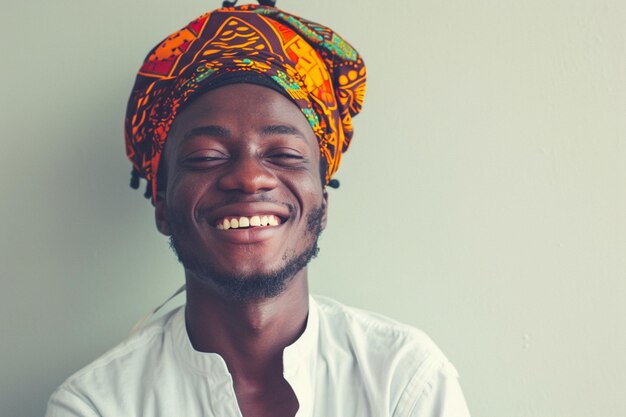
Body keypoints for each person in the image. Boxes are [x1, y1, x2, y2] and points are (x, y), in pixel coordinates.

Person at [45, 2, 471, 416]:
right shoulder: (96, 405)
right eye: (207, 156)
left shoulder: (405, 381)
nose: (249, 178)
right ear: (161, 203)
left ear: (322, 201)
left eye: (284, 153)